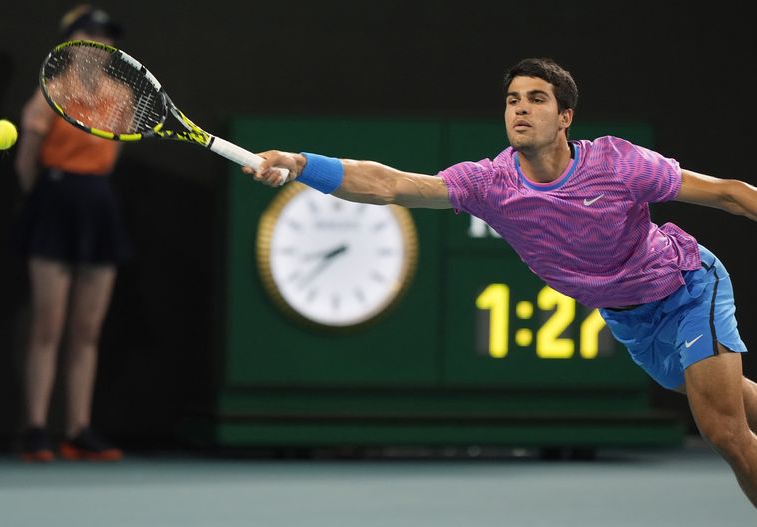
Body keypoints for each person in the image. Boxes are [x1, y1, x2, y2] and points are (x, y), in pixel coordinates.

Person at [244, 58, 757, 506]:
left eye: (537, 99)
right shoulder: (490, 184)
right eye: (513, 100)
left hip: (686, 285)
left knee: (723, 431)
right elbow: (390, 185)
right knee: (717, 392)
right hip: (629, 317)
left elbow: (729, 194)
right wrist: (300, 164)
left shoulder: (618, 164)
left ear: (565, 118)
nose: (521, 109)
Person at [14, 4, 129, 462]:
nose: (102, 45)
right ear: (70, 44)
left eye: (107, 38)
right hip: (53, 203)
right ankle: (37, 429)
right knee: (47, 327)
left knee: (87, 331)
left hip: (98, 206)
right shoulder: (50, 93)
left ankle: (78, 429)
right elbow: (27, 161)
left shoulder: (121, 95)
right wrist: (42, 201)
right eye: (91, 36)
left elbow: (112, 157)